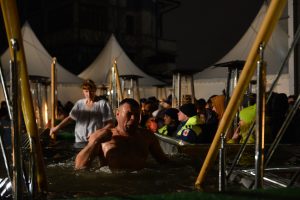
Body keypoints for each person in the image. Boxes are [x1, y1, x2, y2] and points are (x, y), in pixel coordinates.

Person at [75, 98, 169, 171]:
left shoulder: (147, 136)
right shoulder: (103, 137)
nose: (133, 118)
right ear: (117, 113)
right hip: (113, 186)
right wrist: (95, 141)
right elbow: (79, 167)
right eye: (129, 114)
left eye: (136, 115)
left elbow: (164, 162)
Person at [50, 79, 114, 143]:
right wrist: (56, 128)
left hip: (95, 141)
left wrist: (97, 133)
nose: (88, 94)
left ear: (95, 90)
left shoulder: (103, 104)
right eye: (86, 91)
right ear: (83, 91)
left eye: (91, 91)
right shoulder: (79, 104)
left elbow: (111, 124)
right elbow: (70, 118)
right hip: (79, 140)